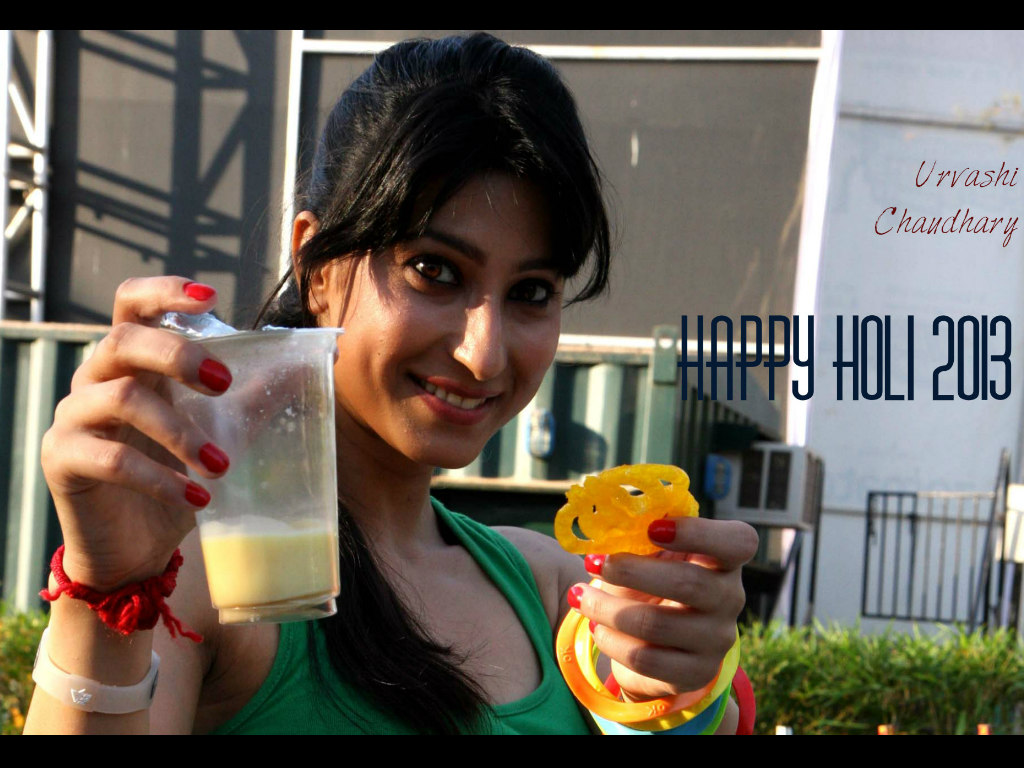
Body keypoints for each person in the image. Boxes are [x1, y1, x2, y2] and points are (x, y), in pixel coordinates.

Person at [25, 33, 758, 734]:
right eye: (434, 271)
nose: (484, 355)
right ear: (317, 267)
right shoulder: (203, 579)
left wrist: (680, 688)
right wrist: (105, 595)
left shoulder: (555, 590)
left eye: (532, 291)